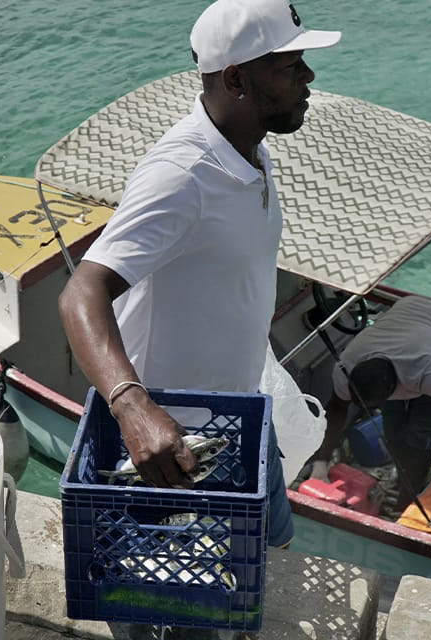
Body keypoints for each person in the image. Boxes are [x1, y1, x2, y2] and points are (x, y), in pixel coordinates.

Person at [58, 0, 340, 558]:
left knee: (271, 558)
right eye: (290, 67)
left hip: (241, 417)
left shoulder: (251, 150)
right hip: (173, 448)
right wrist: (134, 410)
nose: (308, 77)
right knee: (175, 600)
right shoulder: (181, 176)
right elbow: (80, 292)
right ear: (237, 77)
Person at [309, 295, 431, 529]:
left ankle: (406, 504)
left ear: (391, 388)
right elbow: (335, 411)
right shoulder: (346, 367)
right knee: (394, 431)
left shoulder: (430, 370)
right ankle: (405, 480)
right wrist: (321, 461)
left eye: (374, 403)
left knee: (420, 435)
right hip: (409, 309)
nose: (369, 409)